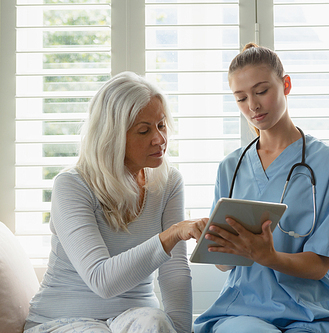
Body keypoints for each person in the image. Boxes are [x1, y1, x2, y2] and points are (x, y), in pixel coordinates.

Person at [193, 43, 329, 333]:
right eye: (241, 98)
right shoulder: (230, 167)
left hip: (312, 310)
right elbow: (224, 265)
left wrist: (268, 256)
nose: (253, 106)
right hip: (243, 310)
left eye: (261, 91)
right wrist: (215, 242)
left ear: (286, 85)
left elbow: (319, 264)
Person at [24, 71, 208, 333]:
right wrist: (170, 236)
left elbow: (174, 270)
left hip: (134, 317)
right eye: (144, 130)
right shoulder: (71, 185)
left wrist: (180, 331)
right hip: (63, 319)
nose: (159, 139)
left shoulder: (169, 181)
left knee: (156, 323)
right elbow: (102, 280)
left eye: (162, 124)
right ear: (111, 136)